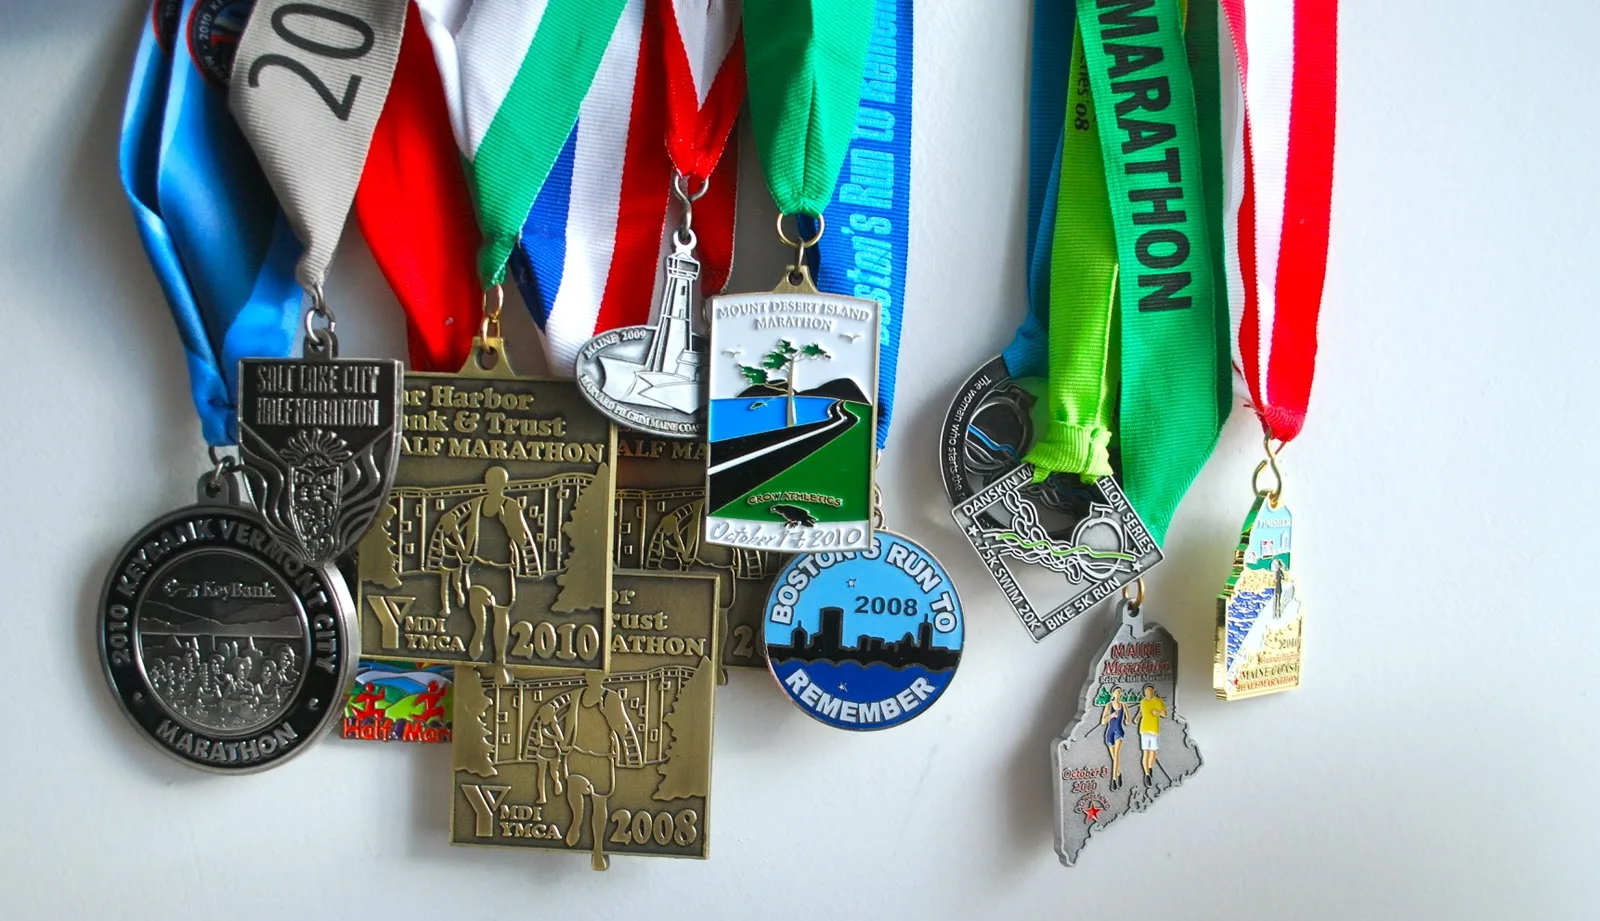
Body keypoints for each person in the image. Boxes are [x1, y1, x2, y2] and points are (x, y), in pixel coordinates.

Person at [428, 466, 540, 673]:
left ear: (504, 484)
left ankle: (499, 658)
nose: (494, 484)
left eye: (498, 481)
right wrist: (465, 553)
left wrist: (507, 522)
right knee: (476, 602)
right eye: (491, 480)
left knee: (500, 613)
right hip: (479, 565)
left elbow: (521, 539)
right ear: (487, 482)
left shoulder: (511, 506)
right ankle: (479, 633)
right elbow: (472, 533)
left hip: (501, 568)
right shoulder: (477, 505)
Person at [561, 671, 641, 870]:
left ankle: (597, 848)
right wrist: (565, 741)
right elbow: (571, 719)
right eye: (590, 674)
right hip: (578, 752)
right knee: (573, 787)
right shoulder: (577, 695)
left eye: (597, 675)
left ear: (603, 677)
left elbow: (621, 727)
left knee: (598, 803)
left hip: (601, 757)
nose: (592, 677)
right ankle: (576, 822)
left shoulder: (611, 698)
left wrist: (607, 714)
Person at [1100, 685, 1131, 791]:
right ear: (1113, 694)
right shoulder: (1108, 706)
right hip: (1110, 732)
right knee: (1113, 757)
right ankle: (1118, 773)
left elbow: (1128, 720)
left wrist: (1127, 720)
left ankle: (1113, 779)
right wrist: (1111, 716)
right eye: (1116, 692)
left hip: (1119, 731)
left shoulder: (1123, 705)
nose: (1117, 694)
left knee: (1117, 755)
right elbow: (1103, 721)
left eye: (1119, 692)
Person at [1138, 684, 1168, 786]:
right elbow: (1141, 712)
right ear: (1144, 693)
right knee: (1146, 752)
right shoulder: (1143, 702)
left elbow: (1165, 714)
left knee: (1153, 752)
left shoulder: (1158, 701)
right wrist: (1137, 718)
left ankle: (1150, 767)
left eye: (1150, 692)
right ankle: (1147, 775)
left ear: (1153, 692)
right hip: (1144, 729)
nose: (1148, 694)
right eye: (1147, 692)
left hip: (1154, 729)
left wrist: (1158, 712)